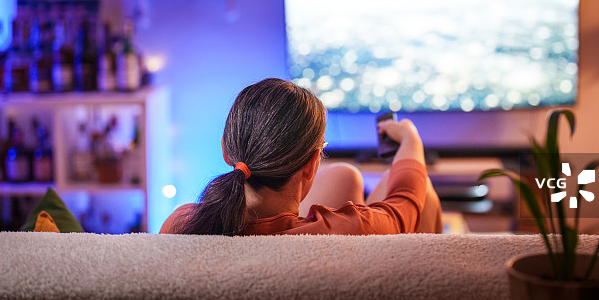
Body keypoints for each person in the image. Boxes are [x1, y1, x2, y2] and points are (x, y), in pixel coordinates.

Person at [160, 77, 442, 235]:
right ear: (311, 164)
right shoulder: (345, 231)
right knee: (425, 192)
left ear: (225, 150)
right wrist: (410, 140)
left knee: (346, 176)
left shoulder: (180, 223)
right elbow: (405, 202)